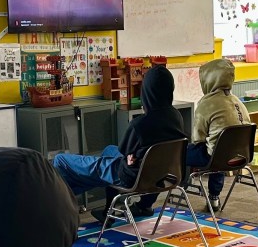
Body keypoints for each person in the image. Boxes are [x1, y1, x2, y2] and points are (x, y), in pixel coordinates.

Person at [53, 64, 185, 219]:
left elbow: (125, 151)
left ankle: (62, 214)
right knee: (109, 150)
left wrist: (131, 157)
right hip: (161, 175)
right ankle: (113, 211)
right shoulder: (176, 117)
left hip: (133, 177)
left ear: (147, 93)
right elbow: (128, 153)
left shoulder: (139, 125)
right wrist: (132, 156)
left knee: (60, 160)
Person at [187, 58, 251, 207]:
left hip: (216, 158)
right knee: (221, 148)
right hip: (242, 156)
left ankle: (181, 189)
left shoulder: (206, 103)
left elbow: (198, 138)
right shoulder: (237, 101)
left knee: (180, 152)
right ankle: (214, 197)